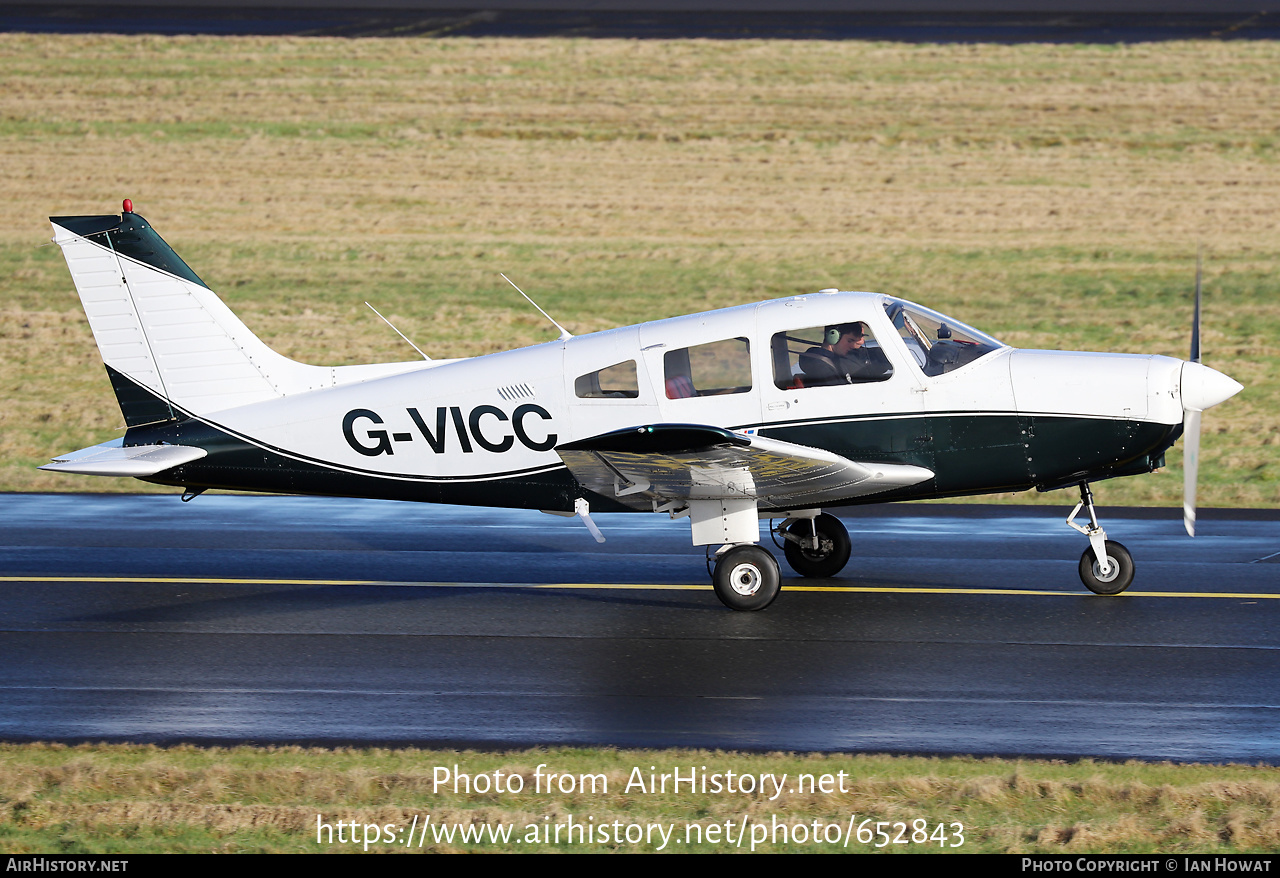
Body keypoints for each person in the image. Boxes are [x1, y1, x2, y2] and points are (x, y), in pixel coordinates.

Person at [798, 322, 892, 385]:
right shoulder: (819, 365)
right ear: (833, 337)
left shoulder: (841, 357)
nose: (859, 343)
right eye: (850, 340)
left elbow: (876, 356)